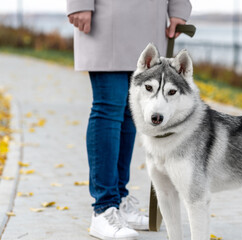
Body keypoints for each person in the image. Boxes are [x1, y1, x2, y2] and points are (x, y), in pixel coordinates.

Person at [66, 0, 192, 239]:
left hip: (150, 18)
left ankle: (120, 199)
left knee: (130, 110)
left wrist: (178, 8)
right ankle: (104, 209)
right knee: (109, 106)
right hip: (105, 13)